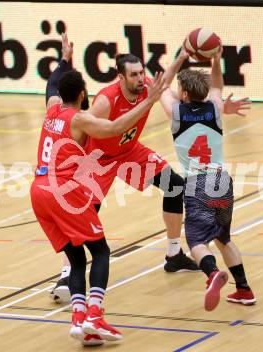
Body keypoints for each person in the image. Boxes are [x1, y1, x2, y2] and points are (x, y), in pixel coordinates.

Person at [31, 33, 168, 345]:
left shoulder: (52, 108)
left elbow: (52, 83)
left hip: (37, 191)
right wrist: (149, 100)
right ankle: (96, 314)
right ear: (82, 94)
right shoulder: (79, 119)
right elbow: (117, 128)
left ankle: (80, 321)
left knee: (77, 259)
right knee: (101, 251)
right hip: (63, 191)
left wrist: (65, 57)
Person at [50, 51, 202, 303]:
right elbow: (82, 127)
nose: (140, 78)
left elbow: (166, 80)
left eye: (142, 72)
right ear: (120, 77)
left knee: (175, 186)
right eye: (134, 75)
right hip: (98, 159)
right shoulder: (106, 101)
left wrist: (182, 54)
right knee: (81, 214)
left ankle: (174, 255)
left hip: (130, 152)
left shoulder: (147, 89)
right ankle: (66, 275)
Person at [159, 43, 256, 311]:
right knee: (223, 237)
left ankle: (213, 273)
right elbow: (217, 85)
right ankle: (244, 289)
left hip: (197, 184)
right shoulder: (215, 108)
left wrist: (179, 58)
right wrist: (216, 59)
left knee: (196, 242)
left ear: (185, 93)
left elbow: (162, 87)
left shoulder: (176, 113)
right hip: (222, 181)